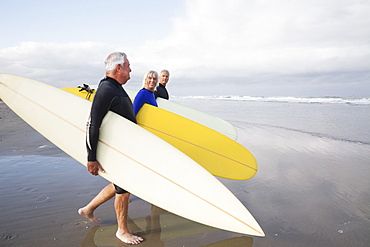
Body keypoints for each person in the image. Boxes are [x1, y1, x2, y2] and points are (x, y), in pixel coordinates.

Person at [78, 52, 144, 245]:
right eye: (128, 66)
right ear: (119, 68)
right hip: (117, 152)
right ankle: (122, 231)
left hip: (123, 149)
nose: (130, 69)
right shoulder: (107, 88)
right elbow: (93, 124)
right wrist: (91, 157)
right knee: (123, 189)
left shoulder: (115, 88)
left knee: (118, 185)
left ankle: (88, 209)